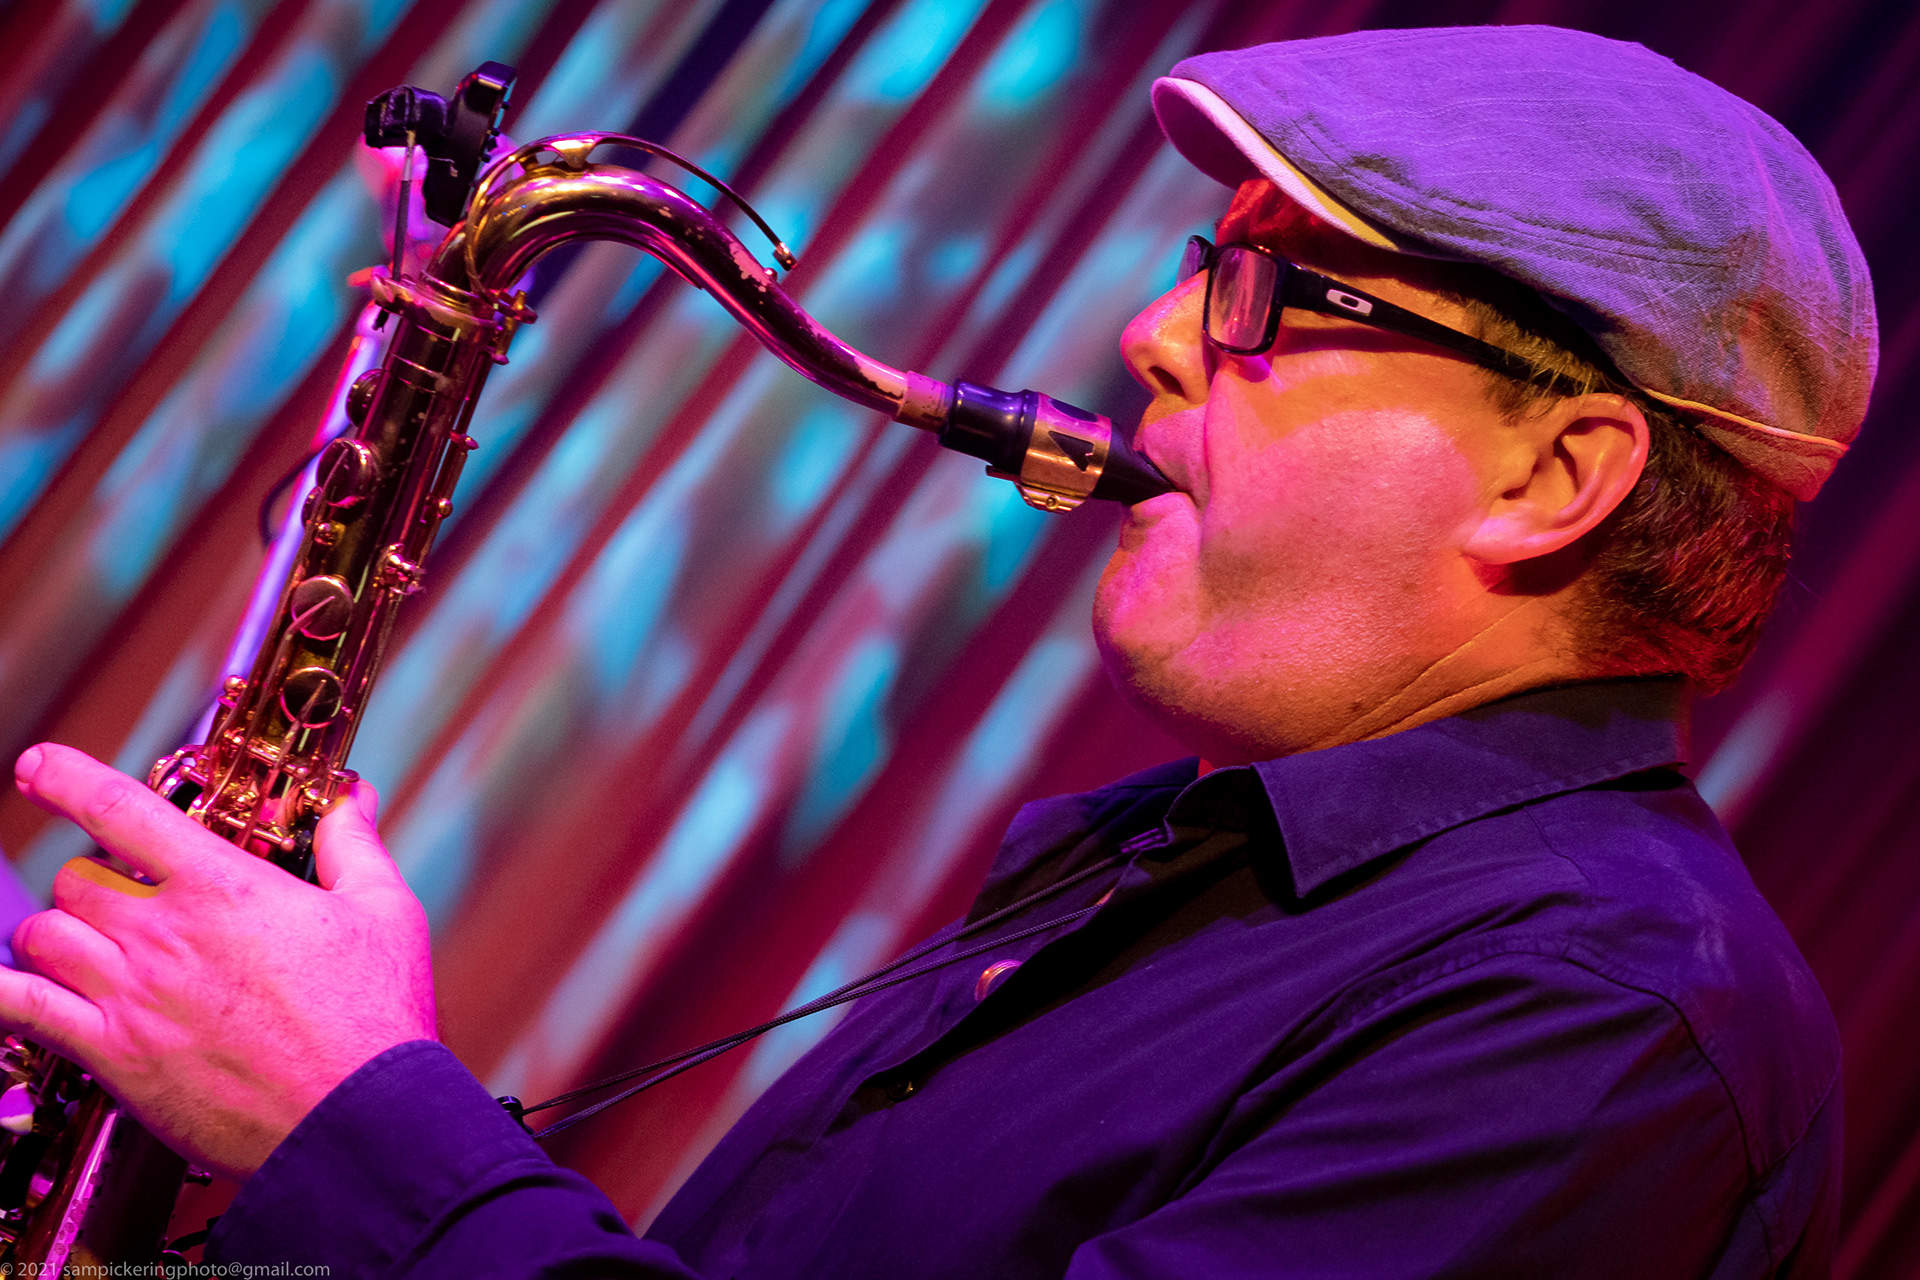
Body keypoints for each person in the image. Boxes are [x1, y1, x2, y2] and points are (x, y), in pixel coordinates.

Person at [0, 24, 1875, 1279]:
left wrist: (357, 1117)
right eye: (1197, 262)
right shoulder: (1169, 861)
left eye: (1274, 294)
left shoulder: (1601, 1023)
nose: (1152, 334)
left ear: (1556, 476)